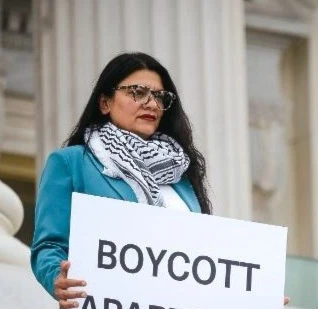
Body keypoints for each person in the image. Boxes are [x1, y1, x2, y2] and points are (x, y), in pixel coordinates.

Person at [30, 52, 289, 308]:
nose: (152, 104)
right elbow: (49, 244)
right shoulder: (71, 163)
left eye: (159, 97)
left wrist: (254, 295)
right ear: (105, 103)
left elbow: (201, 265)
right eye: (137, 92)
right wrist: (57, 279)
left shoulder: (181, 176)